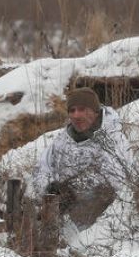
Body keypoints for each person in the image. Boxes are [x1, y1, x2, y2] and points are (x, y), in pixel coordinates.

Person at [32, 87, 132, 236]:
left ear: (95, 111)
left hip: (103, 230)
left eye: (82, 109)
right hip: (63, 226)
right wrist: (49, 189)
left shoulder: (113, 138)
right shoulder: (62, 141)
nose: (76, 115)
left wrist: (72, 190)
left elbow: (117, 179)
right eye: (72, 110)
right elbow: (41, 169)